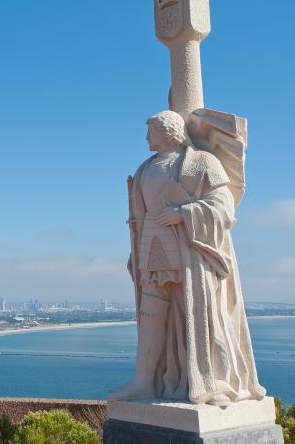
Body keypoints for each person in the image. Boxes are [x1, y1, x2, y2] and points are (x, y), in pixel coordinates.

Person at [109, 110, 265, 407]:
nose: (146, 136)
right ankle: (144, 380)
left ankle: (206, 380)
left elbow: (223, 204)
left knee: (198, 311)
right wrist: (136, 252)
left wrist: (184, 213)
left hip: (189, 248)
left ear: (169, 131)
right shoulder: (144, 169)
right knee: (150, 310)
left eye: (151, 130)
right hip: (152, 244)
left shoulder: (202, 161)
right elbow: (139, 217)